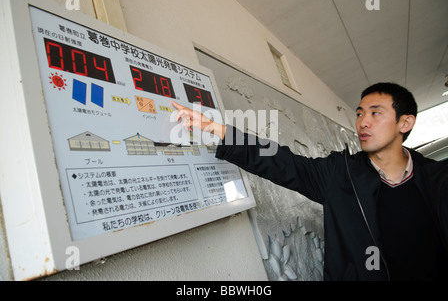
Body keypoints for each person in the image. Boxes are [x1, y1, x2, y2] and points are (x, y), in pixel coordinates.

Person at [172, 82, 448, 281]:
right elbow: (283, 163)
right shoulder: (340, 174)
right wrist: (216, 129)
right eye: (360, 113)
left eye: (375, 113)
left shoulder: (436, 180)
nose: (363, 122)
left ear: (405, 123)